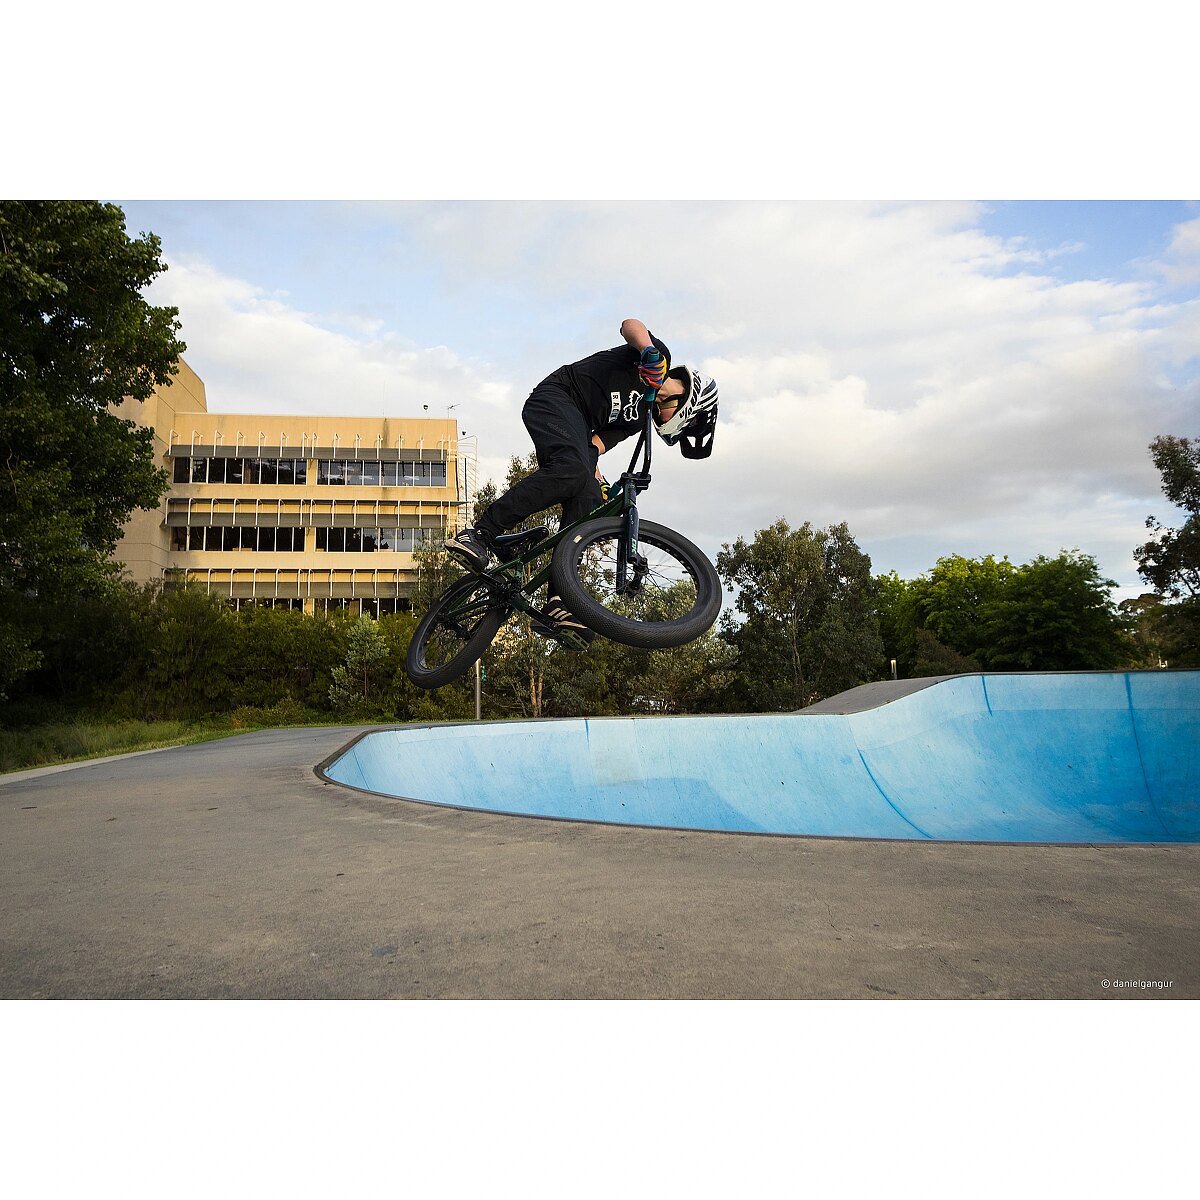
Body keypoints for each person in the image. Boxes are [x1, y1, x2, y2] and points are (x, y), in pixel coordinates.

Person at [445, 318, 719, 639]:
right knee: (573, 469)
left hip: (577, 431)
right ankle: (480, 533)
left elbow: (593, 448)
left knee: (587, 494)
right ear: (690, 404)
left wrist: (599, 484)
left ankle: (559, 601)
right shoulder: (658, 358)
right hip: (557, 398)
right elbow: (629, 325)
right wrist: (648, 351)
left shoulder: (635, 421)